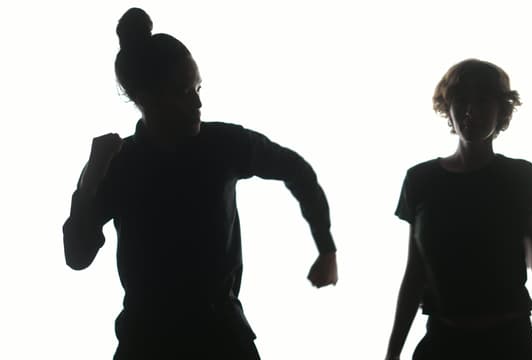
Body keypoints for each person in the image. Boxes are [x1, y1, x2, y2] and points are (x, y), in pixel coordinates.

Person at [62, 8, 337, 360]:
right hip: (147, 344)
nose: (198, 102)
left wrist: (326, 248)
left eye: (197, 88)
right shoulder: (117, 163)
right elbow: (77, 256)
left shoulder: (225, 144)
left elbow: (297, 170)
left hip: (221, 338)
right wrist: (92, 174)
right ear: (146, 97)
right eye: (183, 91)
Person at [384, 59, 532, 360]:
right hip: (444, 342)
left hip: (510, 342)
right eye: (461, 101)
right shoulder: (421, 179)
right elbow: (415, 272)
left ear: (501, 111)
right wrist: (392, 354)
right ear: (449, 109)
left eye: (483, 101)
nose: (471, 111)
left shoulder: (521, 177)